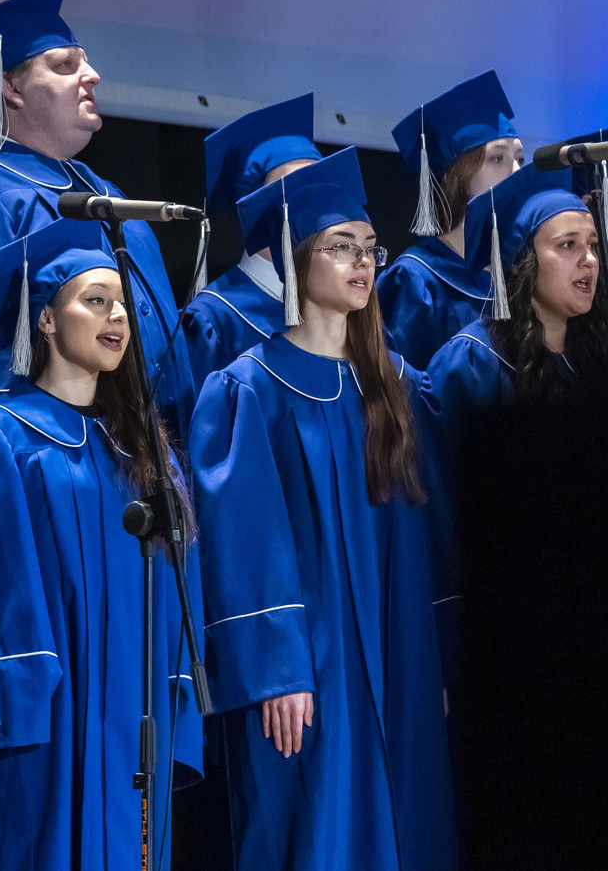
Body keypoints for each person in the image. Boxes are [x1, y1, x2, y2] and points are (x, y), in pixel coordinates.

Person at [190, 149, 455, 870]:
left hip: (398, 646)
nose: (361, 263)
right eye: (341, 247)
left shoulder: (398, 386)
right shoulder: (248, 390)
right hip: (310, 660)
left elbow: (430, 534)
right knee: (316, 827)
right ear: (296, 256)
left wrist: (434, 658)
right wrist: (278, 669)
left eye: (369, 248)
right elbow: (243, 541)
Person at [0, 219, 204, 870]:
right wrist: (15, 702)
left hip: (137, 710)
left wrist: (177, 696)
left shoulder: (146, 449)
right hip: (50, 715)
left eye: (122, 303)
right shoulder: (0, 436)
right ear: (44, 319)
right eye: (95, 300)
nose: (116, 316)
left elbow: (182, 592)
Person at [0, 0, 194, 425]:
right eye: (65, 65)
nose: (92, 75)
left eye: (85, 62)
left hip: (146, 444)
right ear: (11, 87)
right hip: (46, 445)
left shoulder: (108, 193)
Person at [427, 162, 608, 416]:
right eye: (568, 244)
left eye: (592, 245)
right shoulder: (476, 361)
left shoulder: (593, 352)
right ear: (522, 261)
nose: (589, 259)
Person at [378, 71, 522, 368]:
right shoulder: (416, 280)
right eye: (498, 158)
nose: (518, 171)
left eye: (520, 157)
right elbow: (403, 388)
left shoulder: (518, 273)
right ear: (458, 174)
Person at [180, 94, 321, 386]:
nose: (313, 199)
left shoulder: (333, 303)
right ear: (254, 205)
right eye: (293, 186)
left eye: (319, 185)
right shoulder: (215, 318)